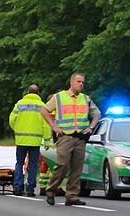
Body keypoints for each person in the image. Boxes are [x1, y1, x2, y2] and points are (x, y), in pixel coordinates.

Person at [40, 73, 100, 206]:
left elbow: (97, 114)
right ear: (71, 82)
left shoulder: (86, 99)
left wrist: (90, 127)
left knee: (77, 168)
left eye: (83, 82)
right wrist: (54, 126)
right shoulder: (59, 97)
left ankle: (72, 196)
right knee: (62, 165)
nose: (81, 84)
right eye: (78, 81)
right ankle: (51, 191)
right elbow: (44, 111)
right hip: (65, 137)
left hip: (80, 138)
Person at [8, 84, 49, 196]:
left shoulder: (20, 104)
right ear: (38, 93)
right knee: (33, 165)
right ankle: (30, 189)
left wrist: (17, 129)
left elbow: (11, 119)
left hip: (21, 140)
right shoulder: (42, 106)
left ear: (27, 92)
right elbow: (46, 125)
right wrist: (47, 140)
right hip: (35, 141)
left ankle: (18, 187)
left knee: (19, 163)